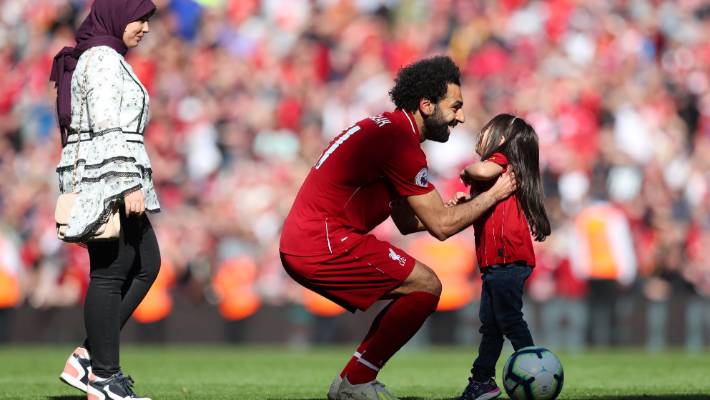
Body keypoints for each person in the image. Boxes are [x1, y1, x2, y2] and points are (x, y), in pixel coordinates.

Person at [279, 56, 517, 400]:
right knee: (426, 285)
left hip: (312, 239)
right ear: (426, 105)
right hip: (323, 242)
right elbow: (441, 227)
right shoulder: (399, 142)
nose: (461, 117)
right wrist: (495, 194)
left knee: (418, 287)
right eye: (455, 106)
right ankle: (355, 382)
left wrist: (455, 210)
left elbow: (408, 222)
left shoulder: (388, 129)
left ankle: (354, 381)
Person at [50, 1, 160, 399]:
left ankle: (88, 358)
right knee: (112, 273)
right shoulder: (101, 58)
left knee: (146, 263)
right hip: (108, 176)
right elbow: (106, 122)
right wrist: (127, 181)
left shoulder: (108, 55)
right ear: (117, 15)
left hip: (111, 172)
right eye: (140, 18)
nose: (146, 28)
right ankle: (103, 377)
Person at [454, 114, 551, 400]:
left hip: (506, 260)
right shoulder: (501, 174)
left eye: (484, 130)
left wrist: (466, 172)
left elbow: (481, 171)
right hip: (498, 263)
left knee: (507, 319)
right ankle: (482, 380)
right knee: (492, 324)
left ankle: (535, 370)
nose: (478, 135)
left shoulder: (502, 162)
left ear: (499, 139)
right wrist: (469, 202)